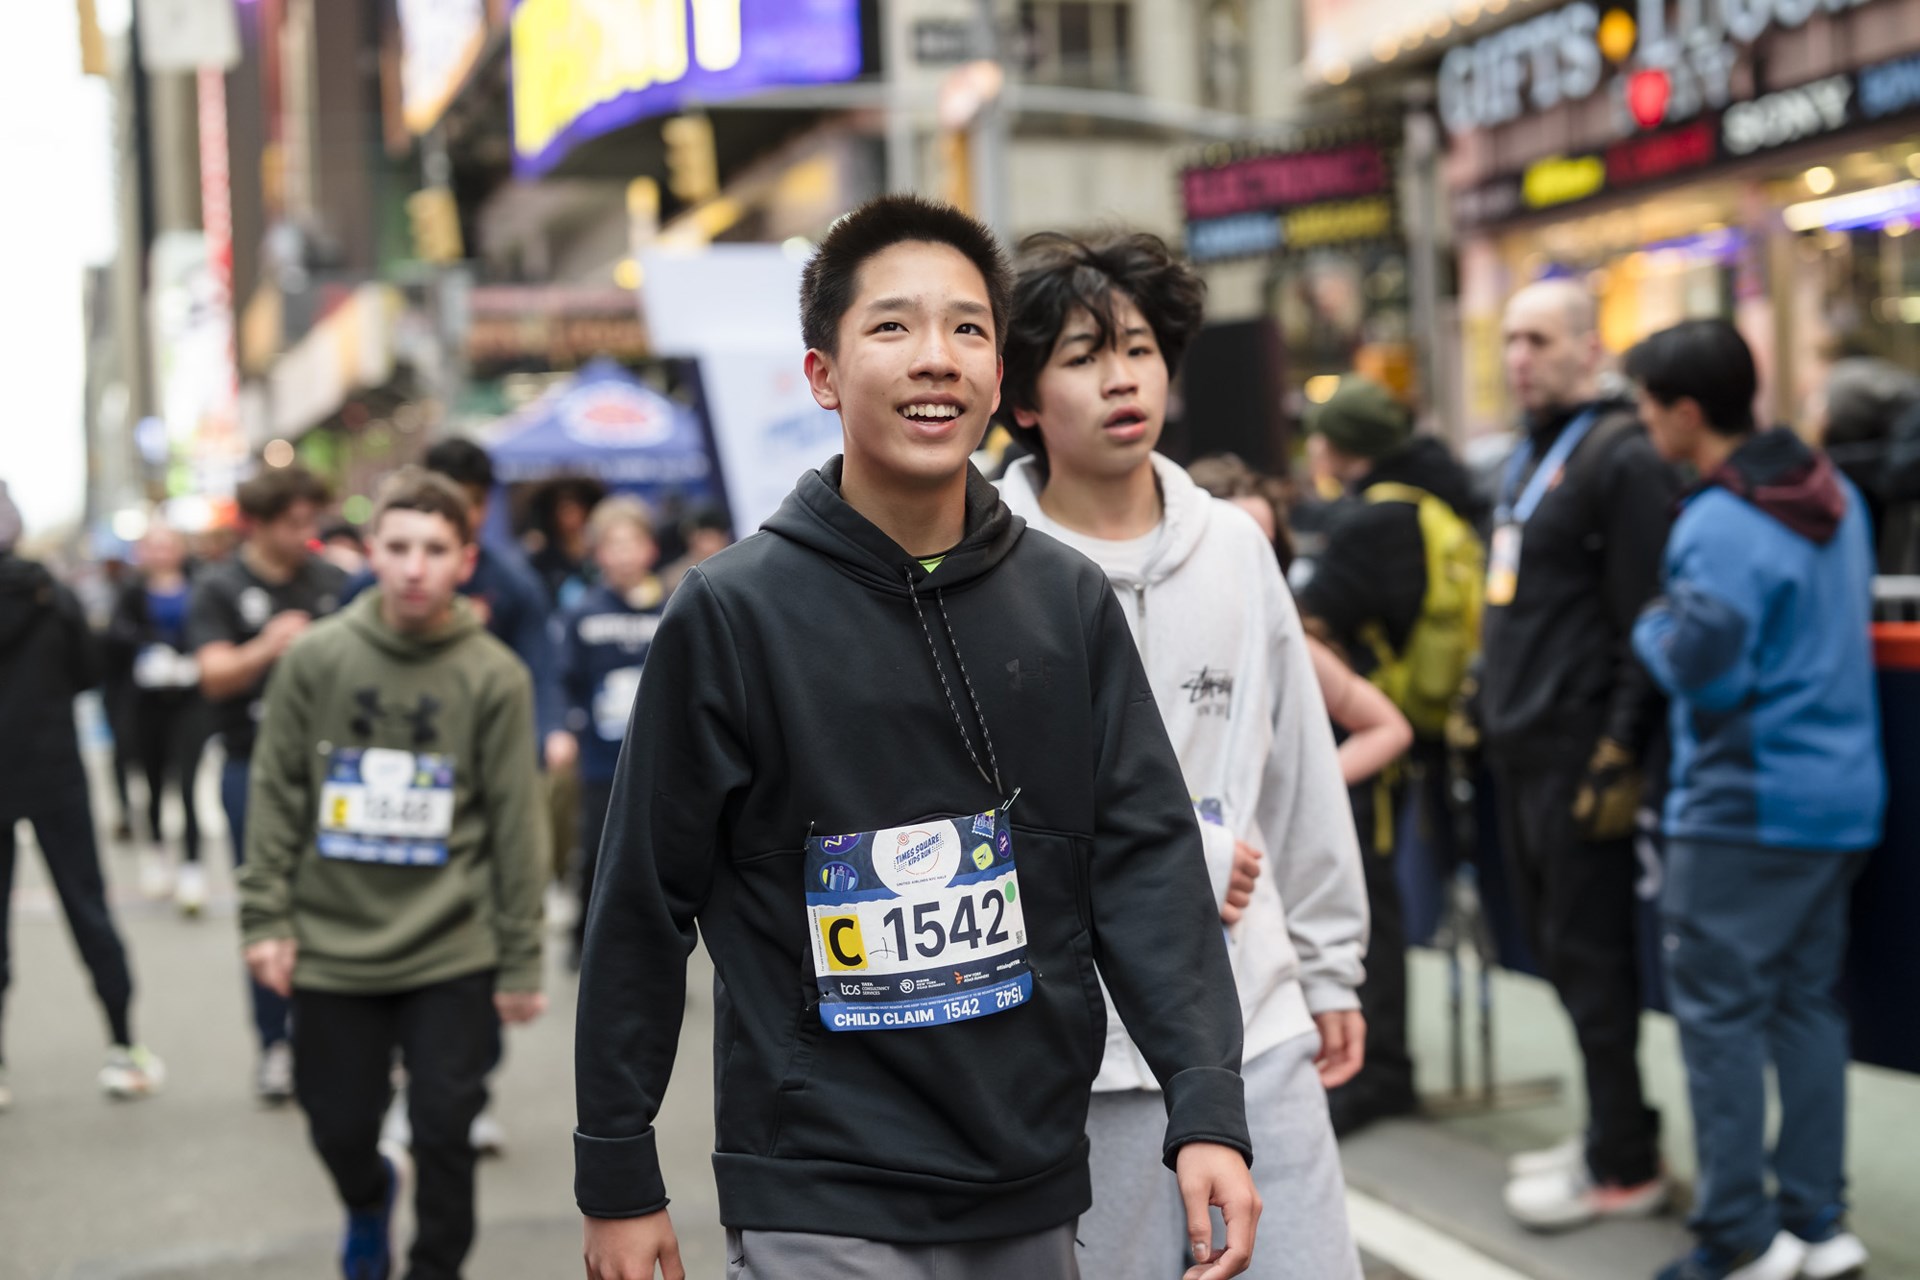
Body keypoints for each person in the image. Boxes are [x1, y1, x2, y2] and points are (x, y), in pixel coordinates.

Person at [575, 195, 1259, 1280]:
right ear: (822, 375)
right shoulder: (731, 611)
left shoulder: (1068, 602)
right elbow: (641, 905)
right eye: (892, 327)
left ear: (999, 378)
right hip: (817, 1180)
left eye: (968, 329)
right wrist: (617, 1168)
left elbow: (1145, 859)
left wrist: (1208, 1105)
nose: (936, 358)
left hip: (1030, 1173)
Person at [995, 231, 1368, 1280]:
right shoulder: (989, 570)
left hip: (1256, 1018)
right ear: (1022, 398)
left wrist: (1333, 963)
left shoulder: (1239, 549)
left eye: (1142, 348)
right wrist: (1170, 860)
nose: (1123, 377)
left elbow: (1292, 764)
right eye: (1080, 355)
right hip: (1082, 1052)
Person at [239, 467, 548, 1280]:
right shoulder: (314, 658)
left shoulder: (495, 676)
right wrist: (264, 917)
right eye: (399, 546)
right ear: (369, 552)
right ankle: (368, 1194)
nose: (415, 566)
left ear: (466, 561)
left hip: (454, 946)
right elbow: (274, 793)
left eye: (435, 550)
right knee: (338, 1125)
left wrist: (520, 960)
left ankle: (435, 1267)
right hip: (334, 942)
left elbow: (518, 827)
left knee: (448, 1129)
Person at [1626, 321, 1883, 1280]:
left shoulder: (1718, 523)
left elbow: (1707, 673)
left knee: (1721, 1020)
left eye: (1649, 406)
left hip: (1743, 808)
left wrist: (1653, 624)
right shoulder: (1836, 496)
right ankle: (1817, 1221)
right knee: (1807, 1008)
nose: (1644, 423)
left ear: (1688, 412)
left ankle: (1738, 1235)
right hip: (1842, 799)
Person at [1480, 279, 1680, 1230]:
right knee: (1562, 957)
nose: (1520, 356)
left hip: (1580, 753)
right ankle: (1612, 1129)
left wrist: (1617, 748)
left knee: (1595, 962)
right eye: (1511, 339)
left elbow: (1649, 614)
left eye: (1540, 339)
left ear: (1588, 348)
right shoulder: (1527, 455)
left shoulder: (1620, 455)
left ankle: (1626, 1164)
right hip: (1520, 748)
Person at [1293, 375, 1483, 1136]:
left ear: (1342, 445)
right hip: (1410, 733)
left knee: (1368, 902)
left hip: (1371, 736)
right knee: (1380, 897)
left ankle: (1379, 1070)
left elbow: (1316, 615)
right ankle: (1382, 1064)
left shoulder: (1373, 523)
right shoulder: (1431, 508)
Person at [0, 480, 163, 1109]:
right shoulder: (50, 593)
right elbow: (88, 671)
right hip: (53, 770)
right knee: (89, 909)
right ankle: (124, 1048)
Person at [189, 463, 347, 1104]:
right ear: (258, 523)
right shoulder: (221, 586)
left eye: (312, 520)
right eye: (294, 523)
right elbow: (213, 675)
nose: (306, 534)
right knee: (268, 903)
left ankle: (334, 1041)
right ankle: (274, 1044)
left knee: (337, 902)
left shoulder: (331, 579)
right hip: (250, 763)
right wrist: (268, 645)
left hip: (333, 765)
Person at [548, 496, 665, 967]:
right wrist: (566, 728)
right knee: (596, 848)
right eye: (611, 546)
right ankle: (584, 938)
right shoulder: (584, 612)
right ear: (597, 555)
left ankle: (653, 948)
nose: (622, 555)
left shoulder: (673, 604)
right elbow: (563, 677)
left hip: (660, 755)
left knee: (658, 856)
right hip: (601, 757)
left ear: (649, 549)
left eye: (630, 544)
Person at [106, 522, 210, 913]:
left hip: (189, 699)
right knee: (150, 783)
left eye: (169, 545)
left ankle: (192, 866)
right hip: (145, 703)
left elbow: (210, 632)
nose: (162, 553)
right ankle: (155, 854)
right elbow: (115, 639)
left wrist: (192, 663)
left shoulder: (200, 585)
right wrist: (146, 653)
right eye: (155, 546)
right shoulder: (130, 592)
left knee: (188, 785)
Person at [659, 504, 732, 597]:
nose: (704, 546)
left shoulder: (736, 566)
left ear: (724, 537)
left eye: (709, 538)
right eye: (698, 539)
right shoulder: (676, 579)